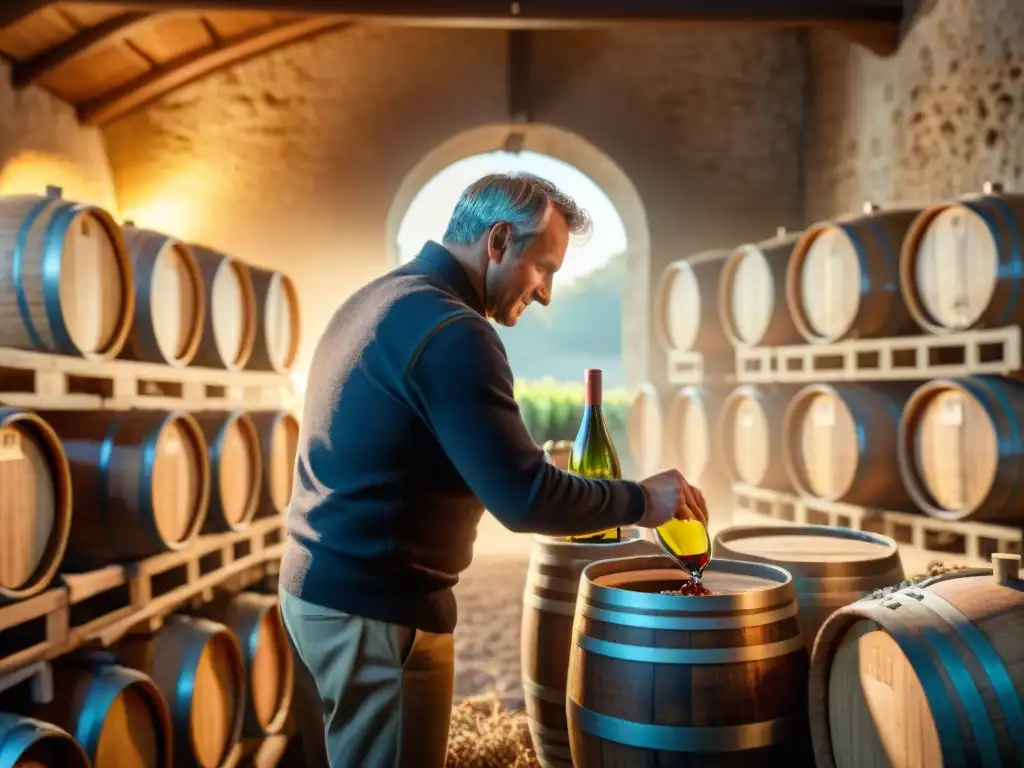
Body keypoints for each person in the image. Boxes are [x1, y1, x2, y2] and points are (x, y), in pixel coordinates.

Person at [278, 172, 708, 767]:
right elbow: (524, 501)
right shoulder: (456, 331)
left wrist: (527, 466)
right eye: (546, 268)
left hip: (313, 593)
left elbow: (408, 454)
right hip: (379, 615)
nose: (548, 293)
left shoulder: (379, 299)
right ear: (499, 240)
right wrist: (642, 499)